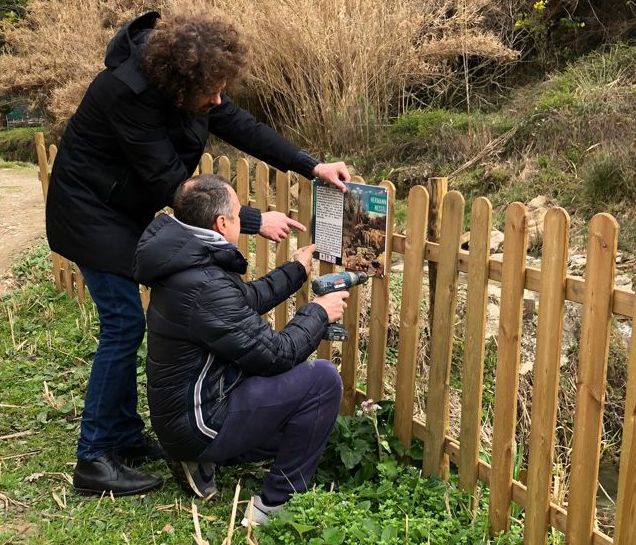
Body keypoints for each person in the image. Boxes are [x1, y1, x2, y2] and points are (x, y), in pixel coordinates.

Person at [45, 10, 351, 496]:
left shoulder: (192, 82)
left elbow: (243, 126)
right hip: (89, 212)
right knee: (123, 324)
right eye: (210, 92)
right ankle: (95, 456)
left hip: (125, 209)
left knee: (129, 323)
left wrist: (310, 166)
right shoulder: (125, 92)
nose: (216, 100)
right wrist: (251, 221)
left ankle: (123, 433)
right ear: (180, 80)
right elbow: (171, 183)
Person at [133, 174, 347, 524]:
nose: (241, 220)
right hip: (198, 423)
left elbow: (243, 300)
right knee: (322, 381)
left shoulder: (186, 259)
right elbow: (277, 354)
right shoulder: (202, 283)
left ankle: (199, 459)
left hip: (187, 413)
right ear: (221, 223)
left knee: (306, 426)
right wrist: (319, 312)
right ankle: (273, 505)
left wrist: (296, 270)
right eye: (238, 215)